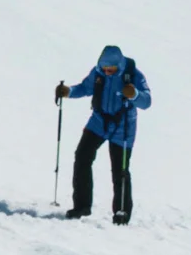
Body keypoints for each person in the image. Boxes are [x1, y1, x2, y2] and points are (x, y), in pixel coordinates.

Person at [55, 44, 151, 224]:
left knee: (120, 170)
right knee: (82, 156)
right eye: (105, 68)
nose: (107, 72)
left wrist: (135, 94)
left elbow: (146, 102)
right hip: (98, 121)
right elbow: (85, 88)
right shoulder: (98, 72)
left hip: (124, 127)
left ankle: (121, 213)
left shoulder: (133, 75)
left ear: (119, 66)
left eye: (111, 69)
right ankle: (82, 206)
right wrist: (68, 92)